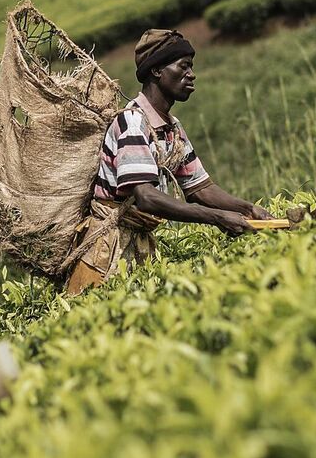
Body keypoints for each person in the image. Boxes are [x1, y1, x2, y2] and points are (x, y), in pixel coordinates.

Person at [63, 29, 271, 295]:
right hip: (106, 250)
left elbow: (199, 188)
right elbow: (146, 197)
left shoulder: (172, 128)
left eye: (192, 67)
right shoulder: (132, 123)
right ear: (157, 71)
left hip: (138, 243)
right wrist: (217, 218)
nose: (192, 74)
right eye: (183, 66)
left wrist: (248, 209)